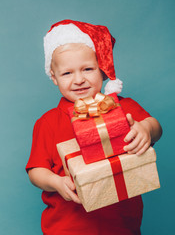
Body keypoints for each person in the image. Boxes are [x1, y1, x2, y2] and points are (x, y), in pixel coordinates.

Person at [26, 19, 162, 235]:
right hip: (67, 227)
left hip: (121, 226)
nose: (78, 80)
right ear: (54, 77)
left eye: (88, 69)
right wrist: (56, 182)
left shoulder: (120, 106)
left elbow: (155, 126)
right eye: (67, 73)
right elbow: (36, 170)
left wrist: (146, 128)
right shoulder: (47, 122)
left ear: (102, 70)